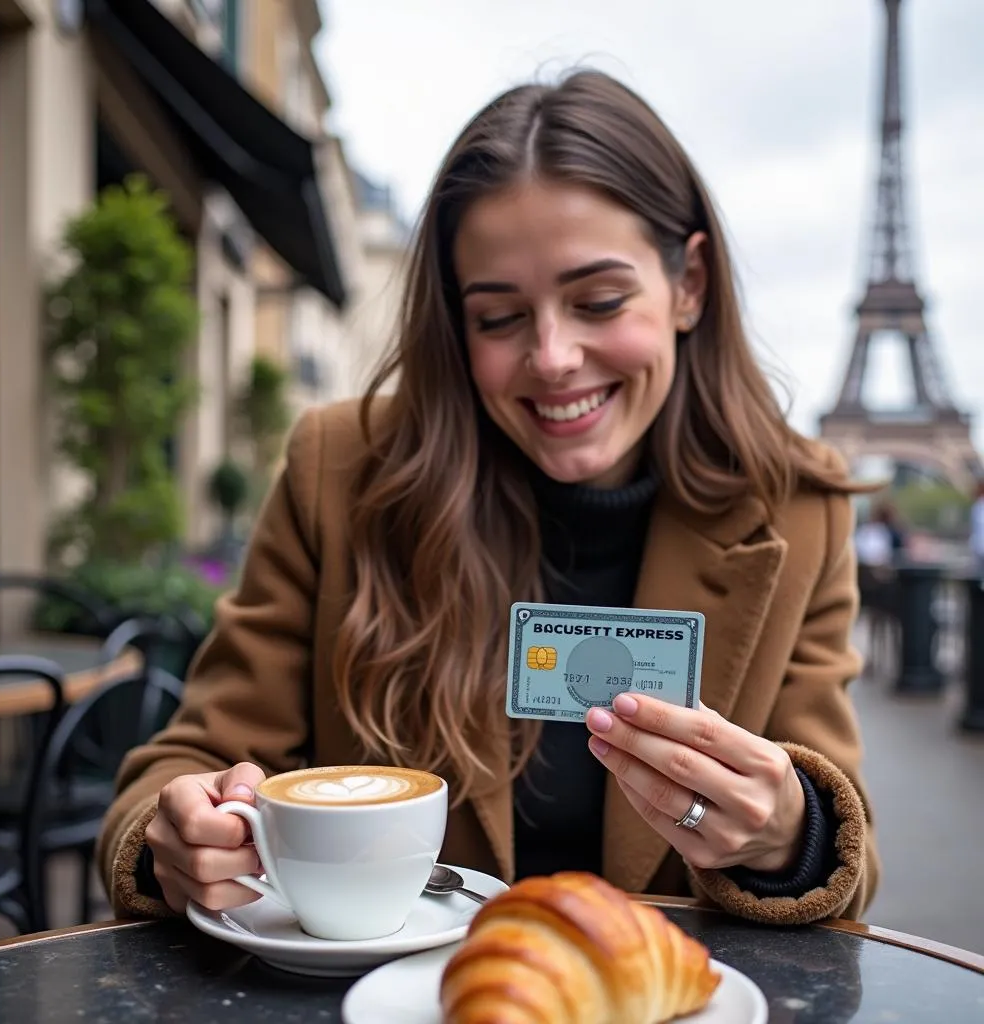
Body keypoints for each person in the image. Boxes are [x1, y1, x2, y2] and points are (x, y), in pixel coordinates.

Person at [98, 70, 879, 928]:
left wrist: (785, 835)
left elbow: (848, 855)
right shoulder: (342, 469)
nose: (552, 357)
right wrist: (177, 836)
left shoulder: (799, 508)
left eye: (600, 300)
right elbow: (187, 762)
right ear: (454, 323)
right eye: (500, 318)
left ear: (688, 284)